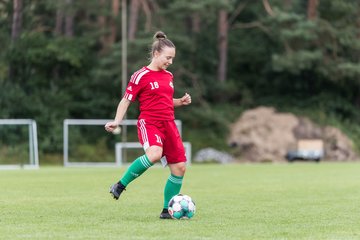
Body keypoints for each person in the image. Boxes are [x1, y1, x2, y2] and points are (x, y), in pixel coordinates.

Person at [104, 31, 192, 219]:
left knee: (180, 168)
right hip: (149, 123)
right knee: (154, 154)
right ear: (156, 54)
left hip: (169, 123)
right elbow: (126, 100)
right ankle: (120, 184)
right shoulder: (140, 76)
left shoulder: (168, 76)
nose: (170, 62)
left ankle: (166, 211)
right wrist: (117, 121)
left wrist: (180, 102)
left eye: (173, 58)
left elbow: (165, 100)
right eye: (168, 57)